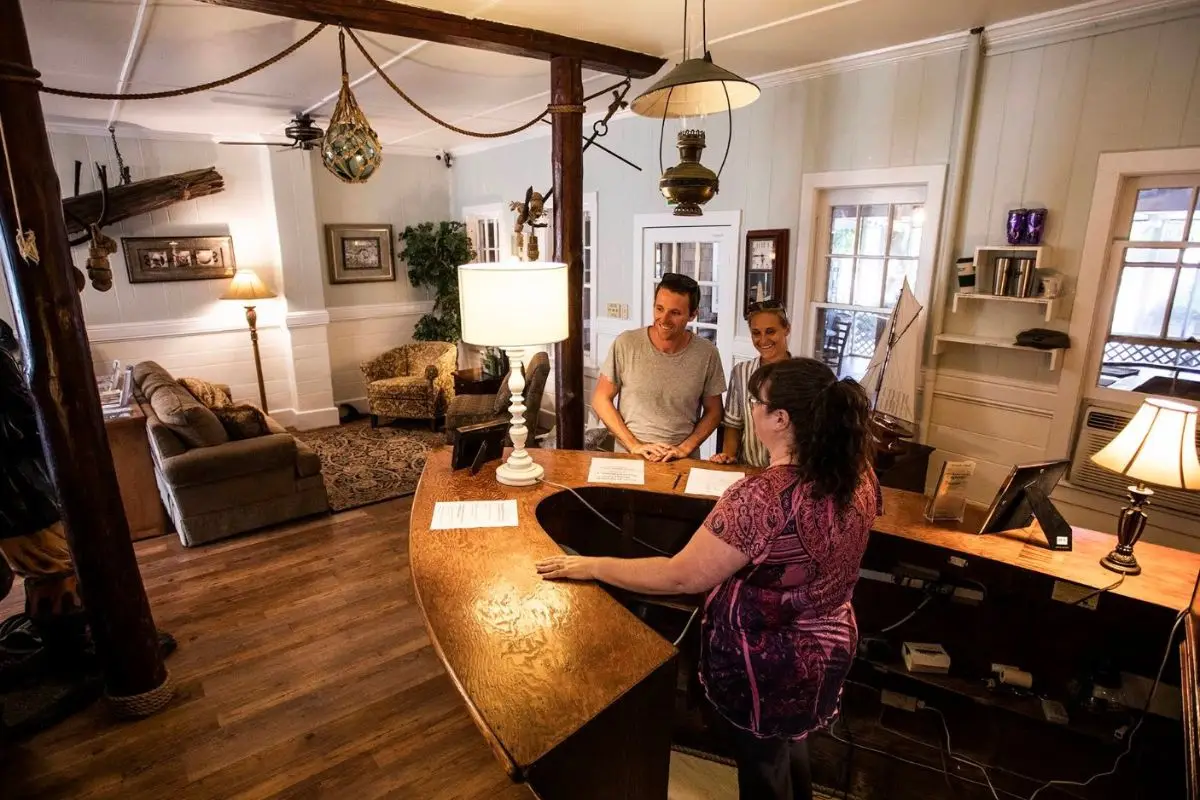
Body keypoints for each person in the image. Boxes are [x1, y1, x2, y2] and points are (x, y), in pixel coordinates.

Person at [538, 358, 880, 800]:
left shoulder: (758, 498)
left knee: (761, 767)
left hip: (768, 662)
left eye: (757, 402)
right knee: (790, 747)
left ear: (781, 419)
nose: (751, 409)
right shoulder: (860, 475)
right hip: (829, 645)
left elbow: (680, 576)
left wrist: (591, 565)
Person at [592, 272, 726, 462]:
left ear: (693, 314)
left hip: (681, 460)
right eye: (659, 308)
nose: (664, 319)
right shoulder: (626, 343)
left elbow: (714, 412)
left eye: (675, 313)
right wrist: (634, 445)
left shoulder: (707, 354)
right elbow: (600, 399)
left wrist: (684, 449)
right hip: (630, 457)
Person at [711, 300, 792, 468]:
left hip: (791, 473)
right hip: (750, 468)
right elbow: (733, 424)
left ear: (786, 329)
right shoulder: (741, 372)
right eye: (756, 333)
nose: (763, 340)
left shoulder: (803, 375)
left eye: (770, 331)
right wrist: (728, 458)